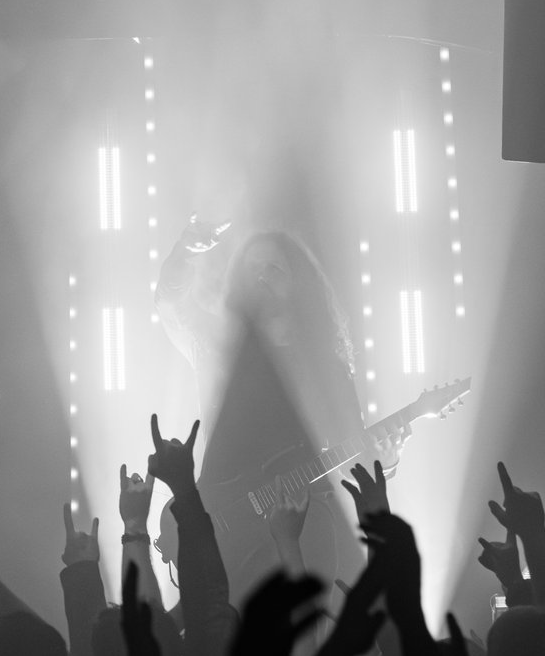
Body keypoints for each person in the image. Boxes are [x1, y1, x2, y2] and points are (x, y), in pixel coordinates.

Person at [156, 220, 379, 590]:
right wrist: (185, 252)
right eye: (253, 268)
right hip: (224, 522)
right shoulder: (218, 347)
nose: (261, 278)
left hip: (304, 528)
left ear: (298, 283)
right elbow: (171, 305)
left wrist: (386, 459)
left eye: (273, 269)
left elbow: (353, 453)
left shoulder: (326, 365)